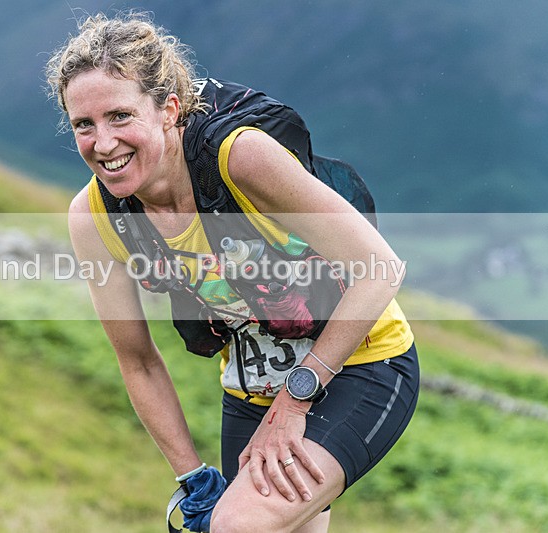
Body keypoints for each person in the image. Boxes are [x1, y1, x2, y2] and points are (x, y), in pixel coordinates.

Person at [46, 12, 419, 533]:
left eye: (120, 116)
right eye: (84, 124)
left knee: (237, 527)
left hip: (359, 364)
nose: (103, 144)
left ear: (169, 109)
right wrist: (192, 477)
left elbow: (380, 268)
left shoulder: (239, 158)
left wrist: (295, 401)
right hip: (250, 391)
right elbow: (138, 362)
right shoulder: (93, 218)